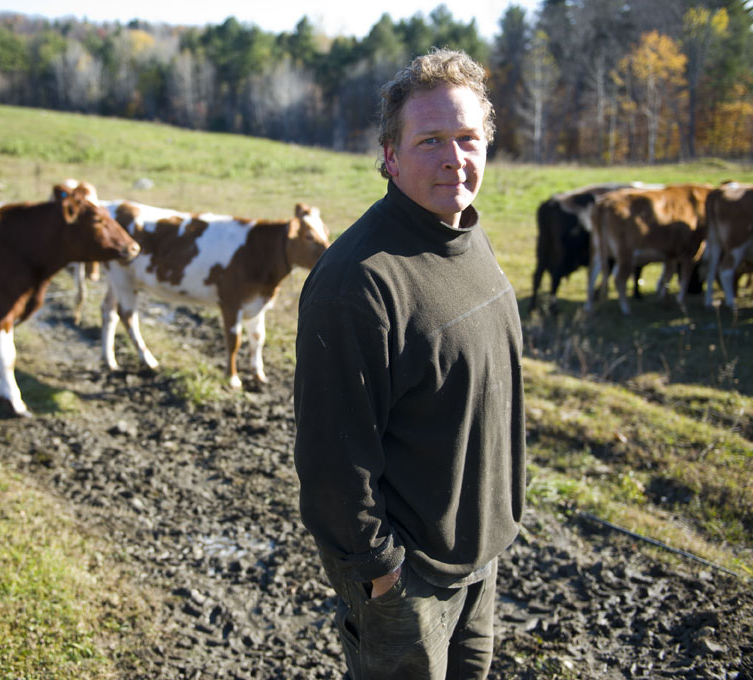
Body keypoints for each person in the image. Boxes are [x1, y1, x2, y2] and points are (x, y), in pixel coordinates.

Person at [292, 48, 525, 680]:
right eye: (430, 140)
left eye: (468, 138)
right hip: (410, 579)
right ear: (390, 157)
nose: (455, 157)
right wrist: (381, 572)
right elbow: (332, 459)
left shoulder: (465, 233)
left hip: (479, 555)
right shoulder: (358, 283)